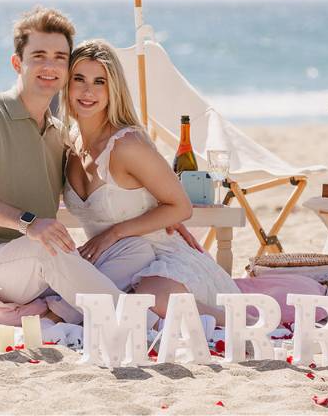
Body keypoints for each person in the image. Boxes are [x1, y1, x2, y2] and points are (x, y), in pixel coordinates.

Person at [0, 7, 168, 324]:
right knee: (43, 248)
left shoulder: (58, 135)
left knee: (135, 251)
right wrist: (28, 223)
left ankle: (57, 312)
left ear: (67, 69)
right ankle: (141, 324)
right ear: (17, 63)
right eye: (38, 55)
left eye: (60, 58)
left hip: (37, 265)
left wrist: (165, 213)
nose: (49, 66)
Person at [62, 39, 239, 325]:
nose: (87, 91)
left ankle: (234, 323)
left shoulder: (126, 145)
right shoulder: (67, 142)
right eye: (78, 79)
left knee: (152, 297)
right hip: (112, 262)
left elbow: (181, 207)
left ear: (113, 90)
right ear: (66, 85)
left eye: (99, 82)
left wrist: (114, 232)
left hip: (162, 260)